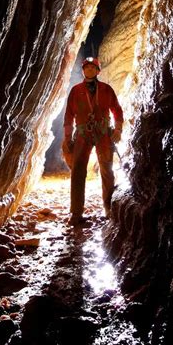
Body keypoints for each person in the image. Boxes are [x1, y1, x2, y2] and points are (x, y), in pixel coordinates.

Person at [62, 56, 123, 225]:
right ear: (83, 70)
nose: (89, 70)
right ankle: (76, 213)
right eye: (87, 67)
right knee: (78, 171)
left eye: (92, 67)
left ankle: (108, 208)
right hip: (83, 134)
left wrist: (118, 129)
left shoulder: (106, 89)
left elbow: (117, 110)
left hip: (103, 133)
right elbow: (69, 115)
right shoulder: (75, 91)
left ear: (98, 71)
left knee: (107, 170)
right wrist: (67, 137)